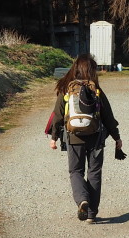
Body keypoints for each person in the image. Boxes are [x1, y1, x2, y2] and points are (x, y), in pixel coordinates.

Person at [46, 54, 123, 223]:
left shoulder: (67, 89)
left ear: (76, 68)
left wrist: (54, 137)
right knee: (94, 173)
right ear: (91, 70)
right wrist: (117, 137)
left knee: (76, 171)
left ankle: (82, 200)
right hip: (96, 138)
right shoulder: (96, 90)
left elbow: (58, 115)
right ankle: (91, 214)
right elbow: (108, 116)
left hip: (74, 138)